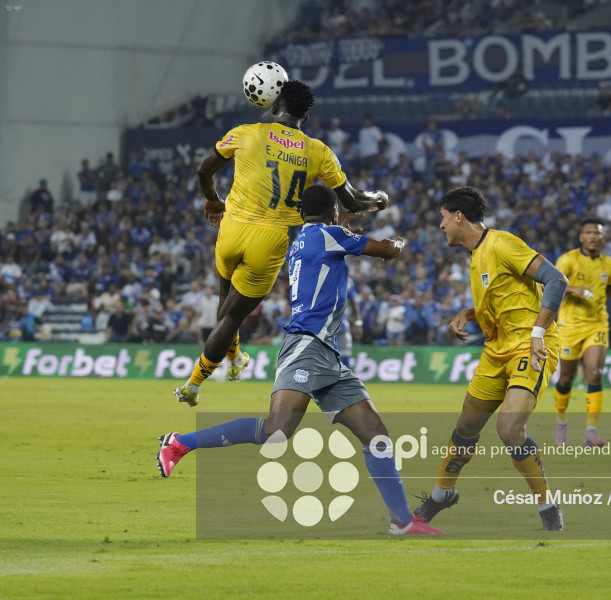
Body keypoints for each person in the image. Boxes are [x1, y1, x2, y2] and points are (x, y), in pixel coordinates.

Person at [158, 185, 442, 536]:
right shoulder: (329, 234)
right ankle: (180, 443)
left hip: (326, 354)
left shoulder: (304, 239)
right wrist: (398, 241)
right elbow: (387, 251)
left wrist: (348, 219)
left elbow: (334, 234)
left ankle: (402, 522)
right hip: (306, 346)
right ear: (332, 213)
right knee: (275, 432)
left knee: (375, 435)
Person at [174, 80, 389, 406]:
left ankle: (234, 359)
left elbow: (203, 170)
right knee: (231, 317)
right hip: (271, 240)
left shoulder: (245, 132)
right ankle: (192, 385)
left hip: (232, 229)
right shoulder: (318, 151)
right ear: (306, 114)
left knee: (224, 301)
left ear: (275, 105)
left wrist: (213, 201)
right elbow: (353, 201)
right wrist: (379, 198)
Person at [412, 186, 567, 532]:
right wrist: (467, 314)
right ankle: (441, 496)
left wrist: (538, 333)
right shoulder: (476, 255)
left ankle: (548, 507)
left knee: (509, 428)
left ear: (458, 216)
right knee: (466, 427)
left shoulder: (501, 243)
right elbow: (502, 300)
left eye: (442, 218)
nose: (440, 227)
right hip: (496, 350)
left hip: (531, 346)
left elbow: (556, 280)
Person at [552, 218, 611, 447]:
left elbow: (610, 286)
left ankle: (590, 432)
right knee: (566, 378)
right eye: (589, 232)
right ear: (581, 237)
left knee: (594, 372)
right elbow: (550, 285)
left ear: (603, 238)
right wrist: (573, 289)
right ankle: (561, 423)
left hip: (597, 324)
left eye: (597, 233)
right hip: (569, 326)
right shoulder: (568, 260)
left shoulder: (610, 264)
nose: (593, 236)